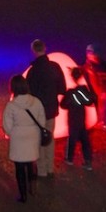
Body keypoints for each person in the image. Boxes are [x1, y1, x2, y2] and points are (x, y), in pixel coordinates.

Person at [26, 39, 65, 178]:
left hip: (37, 111)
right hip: (51, 109)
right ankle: (50, 168)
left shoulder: (33, 71)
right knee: (50, 138)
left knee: (39, 139)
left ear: (33, 51)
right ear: (45, 48)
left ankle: (41, 170)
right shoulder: (54, 67)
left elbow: (28, 93)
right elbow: (62, 88)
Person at [2, 75, 45, 203]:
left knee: (19, 167)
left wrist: (13, 133)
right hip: (33, 135)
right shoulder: (36, 101)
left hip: (18, 138)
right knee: (31, 164)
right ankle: (33, 188)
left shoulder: (11, 106)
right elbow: (41, 120)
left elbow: (7, 125)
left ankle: (23, 195)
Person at [62, 67, 94, 170]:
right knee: (85, 140)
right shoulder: (83, 90)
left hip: (72, 119)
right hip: (82, 119)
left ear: (72, 77)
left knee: (72, 139)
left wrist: (70, 103)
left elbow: (63, 105)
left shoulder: (70, 92)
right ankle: (88, 161)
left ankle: (69, 159)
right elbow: (89, 101)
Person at [82, 44, 106, 130]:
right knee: (102, 105)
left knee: (104, 105)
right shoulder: (93, 64)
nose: (89, 55)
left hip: (103, 87)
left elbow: (102, 76)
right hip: (101, 88)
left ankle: (105, 123)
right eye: (88, 52)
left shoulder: (96, 64)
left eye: (91, 52)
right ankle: (103, 121)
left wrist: (105, 89)